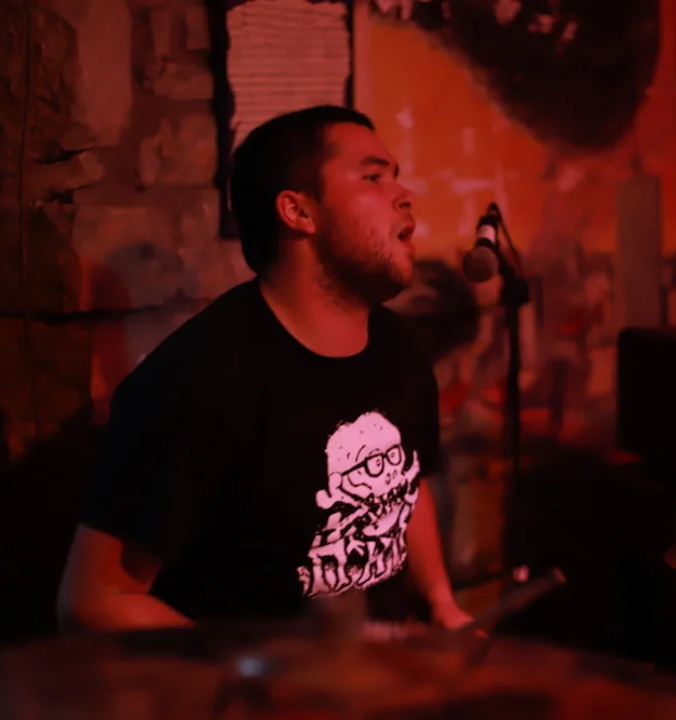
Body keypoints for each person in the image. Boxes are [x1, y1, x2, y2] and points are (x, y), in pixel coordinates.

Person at [56, 105, 473, 633]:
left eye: (396, 176)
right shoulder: (200, 377)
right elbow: (94, 601)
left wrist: (441, 604)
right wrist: (251, 675)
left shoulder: (401, 348)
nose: (404, 194)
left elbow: (403, 489)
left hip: (383, 671)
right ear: (298, 212)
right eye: (373, 177)